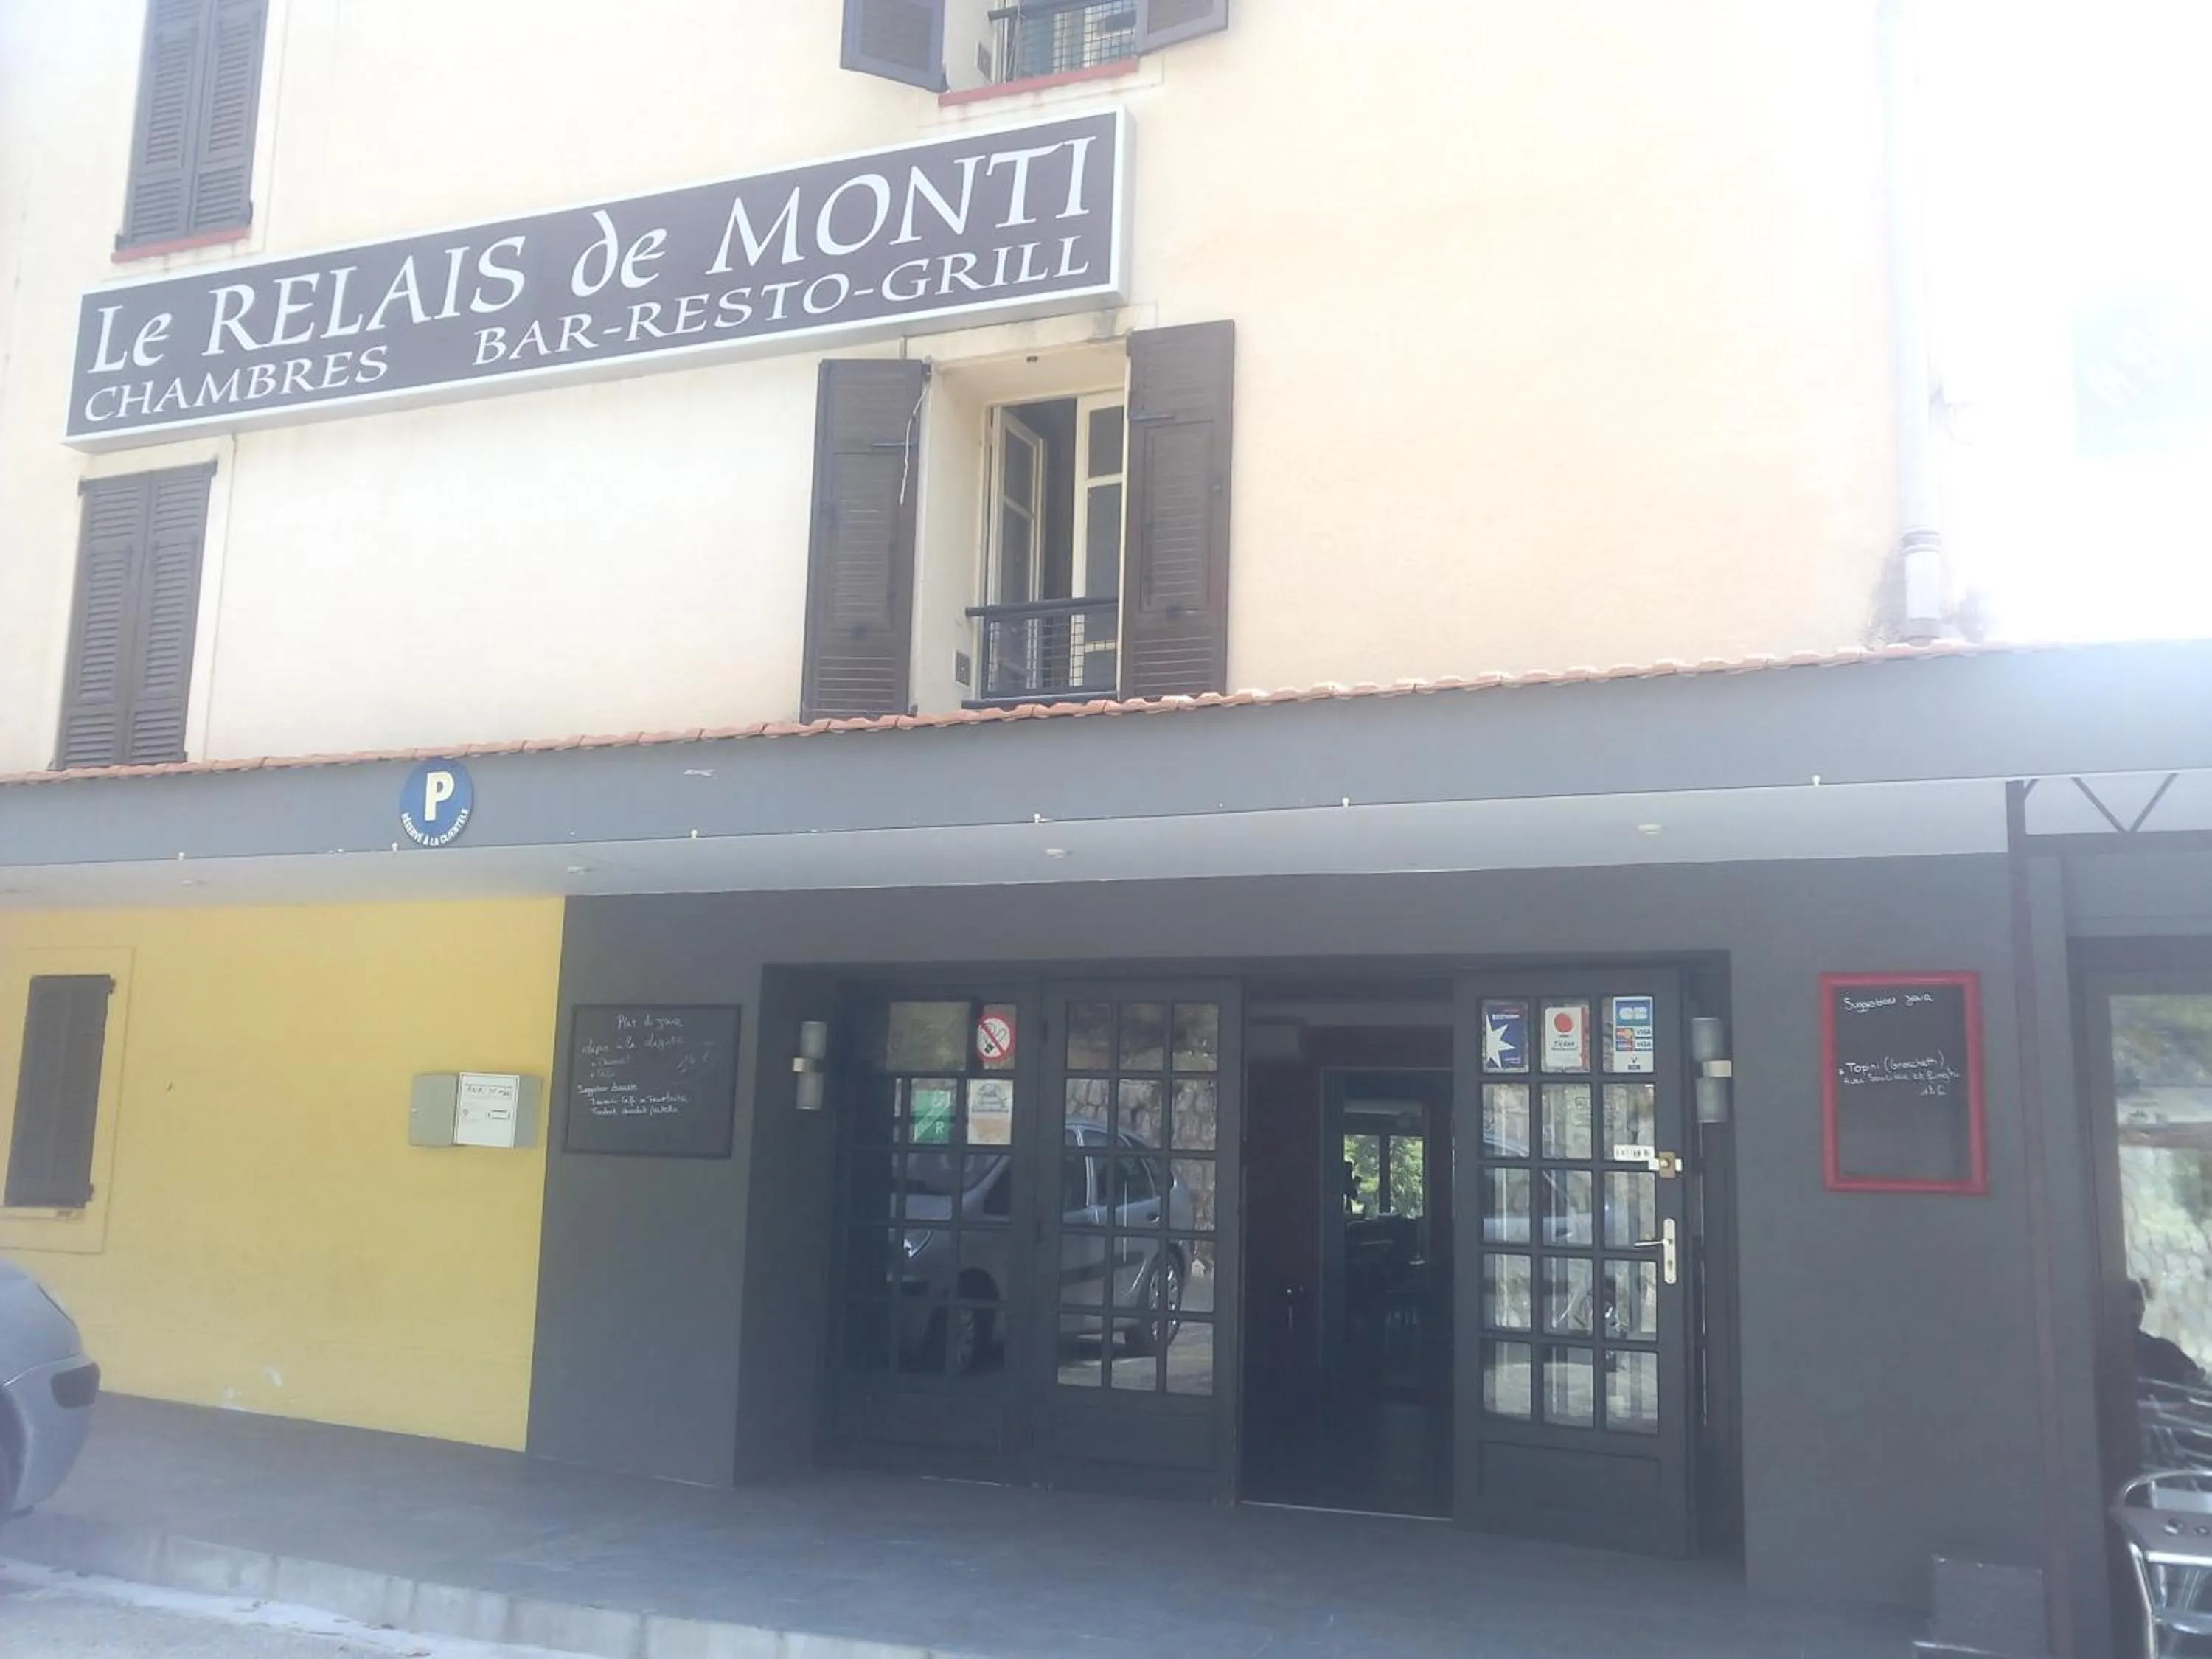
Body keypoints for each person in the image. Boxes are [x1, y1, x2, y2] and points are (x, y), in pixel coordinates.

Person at [2130, 1279, 2206, 1389]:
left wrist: (2190, 1377)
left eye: (2136, 1314)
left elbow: (2194, 1375)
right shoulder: (2157, 1349)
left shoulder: (2160, 1349)